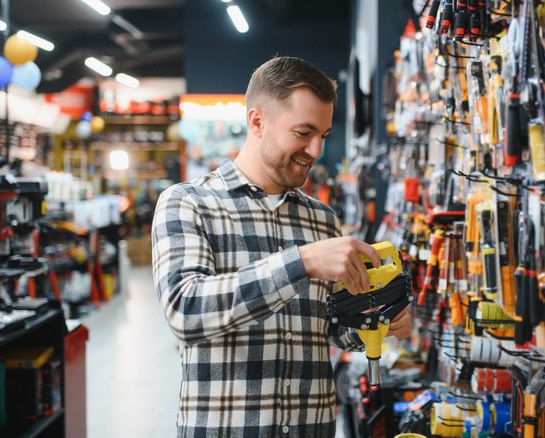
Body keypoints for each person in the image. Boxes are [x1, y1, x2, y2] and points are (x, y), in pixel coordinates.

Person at [151, 56, 411, 437]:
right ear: (257, 121)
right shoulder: (188, 202)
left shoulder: (322, 220)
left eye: (323, 133)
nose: (317, 149)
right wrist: (301, 263)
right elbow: (186, 311)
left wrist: (376, 321)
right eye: (304, 132)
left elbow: (332, 329)